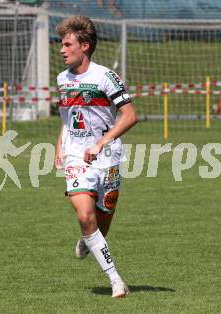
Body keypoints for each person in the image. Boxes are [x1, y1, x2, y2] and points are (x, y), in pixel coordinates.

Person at [54, 15, 138, 298]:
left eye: (68, 44)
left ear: (85, 46)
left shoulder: (105, 77)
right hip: (77, 157)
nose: (62, 49)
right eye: (61, 44)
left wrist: (102, 142)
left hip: (109, 159)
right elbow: (67, 118)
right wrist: (60, 147)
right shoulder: (62, 79)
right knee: (85, 215)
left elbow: (130, 116)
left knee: (101, 223)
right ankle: (116, 280)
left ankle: (87, 241)